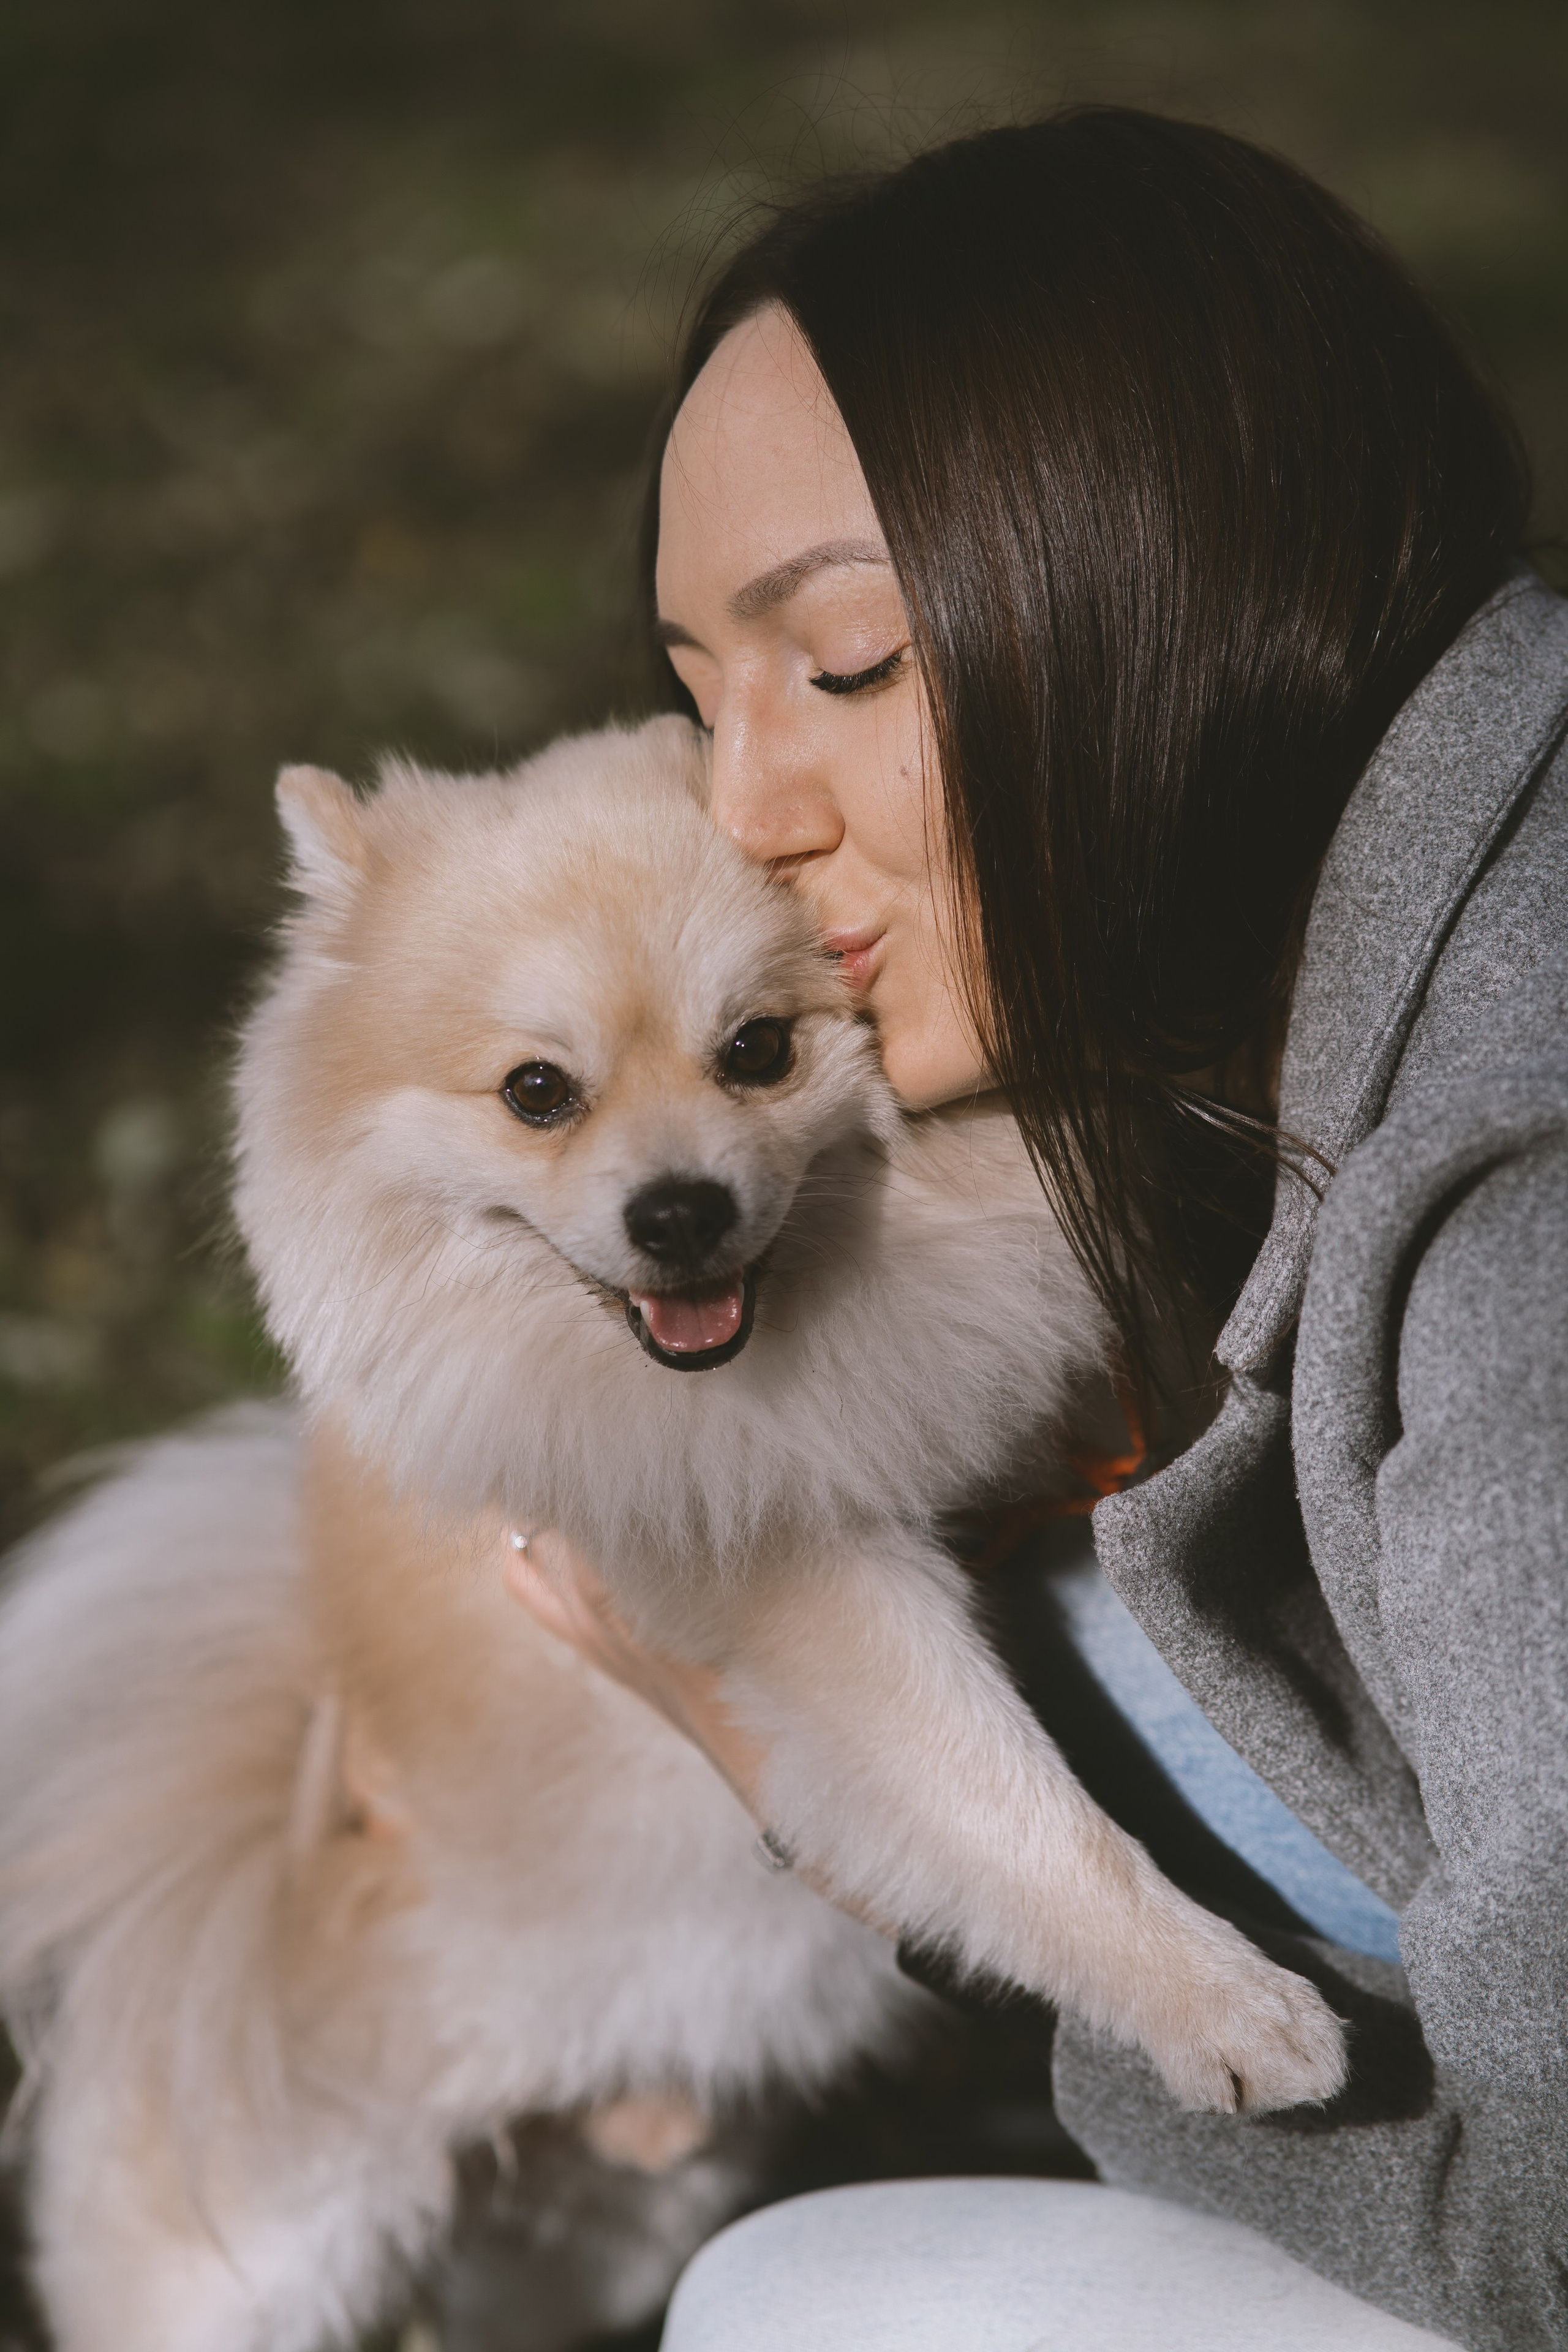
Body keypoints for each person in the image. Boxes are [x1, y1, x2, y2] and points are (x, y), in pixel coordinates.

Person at [505, 108, 1568, 2351]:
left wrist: (909, 1873)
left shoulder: (1516, 1208)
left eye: (853, 663)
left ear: (1177, 580)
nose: (744, 817)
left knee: (813, 2306)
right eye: (706, 699)